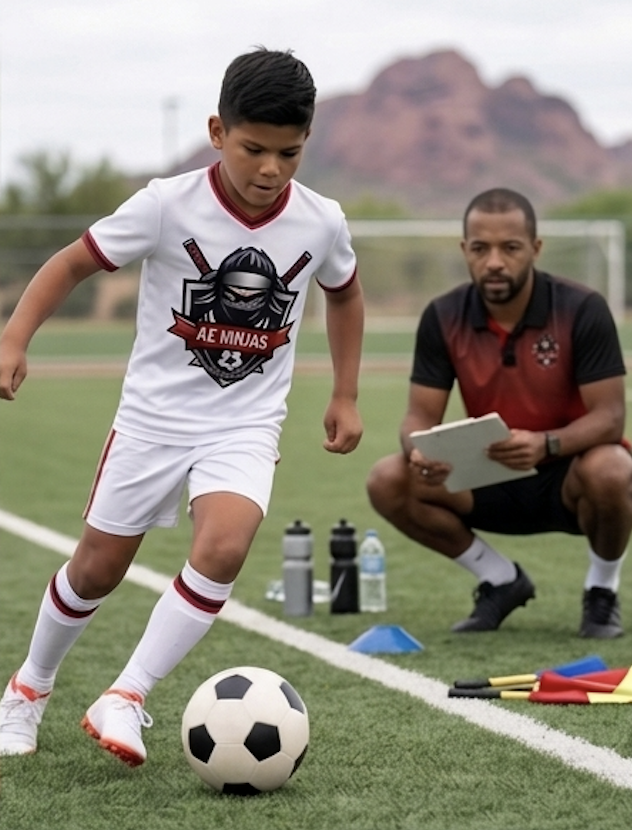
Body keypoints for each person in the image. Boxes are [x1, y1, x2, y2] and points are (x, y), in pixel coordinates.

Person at [0, 48, 363, 765]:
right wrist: (13, 336)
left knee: (225, 545)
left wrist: (345, 393)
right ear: (217, 131)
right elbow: (73, 261)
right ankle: (28, 692)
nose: (270, 170)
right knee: (96, 570)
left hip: (245, 422)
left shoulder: (322, 221)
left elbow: (345, 292)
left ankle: (127, 694)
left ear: (306, 143)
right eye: (253, 149)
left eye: (288, 153)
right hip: (152, 421)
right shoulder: (167, 204)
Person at [367, 187, 632, 637]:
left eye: (509, 248)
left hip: (570, 478)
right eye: (480, 248)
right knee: (388, 478)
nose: (494, 261)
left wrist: (545, 443)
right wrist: (418, 451)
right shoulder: (443, 315)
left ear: (535, 248)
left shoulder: (582, 308)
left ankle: (601, 591)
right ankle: (501, 579)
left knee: (613, 468)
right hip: (486, 474)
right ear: (464, 250)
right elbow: (418, 416)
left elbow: (610, 418)